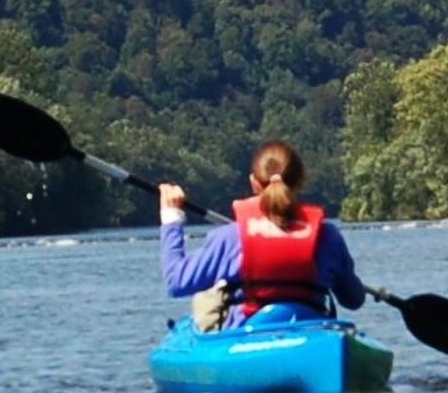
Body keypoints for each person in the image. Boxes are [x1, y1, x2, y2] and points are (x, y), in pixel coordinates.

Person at [159, 141, 370, 332]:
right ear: (300, 181)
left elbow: (176, 282)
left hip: (246, 337)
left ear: (253, 183)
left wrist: (171, 218)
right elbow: (353, 300)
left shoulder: (230, 237)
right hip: (311, 332)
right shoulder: (328, 236)